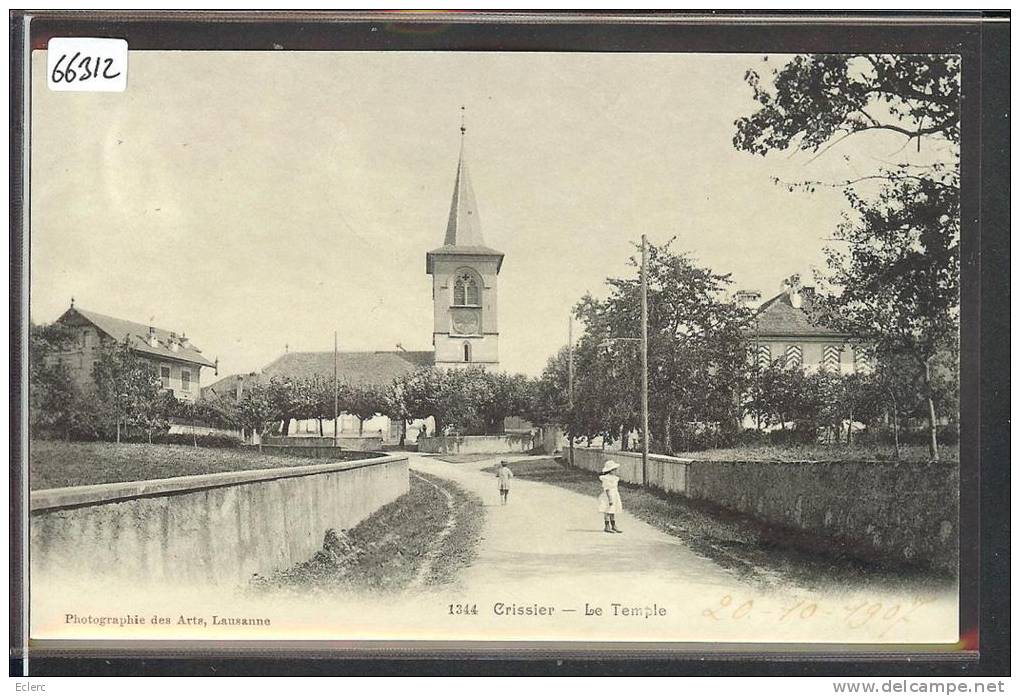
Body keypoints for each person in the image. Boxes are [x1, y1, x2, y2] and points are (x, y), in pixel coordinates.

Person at [598, 460, 623, 533]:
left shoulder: (615, 478)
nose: (615, 471)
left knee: (613, 511)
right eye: (614, 470)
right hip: (609, 496)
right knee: (607, 511)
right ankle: (607, 526)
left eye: (616, 469)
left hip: (614, 494)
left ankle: (613, 525)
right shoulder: (606, 478)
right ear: (610, 470)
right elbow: (607, 489)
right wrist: (610, 499)